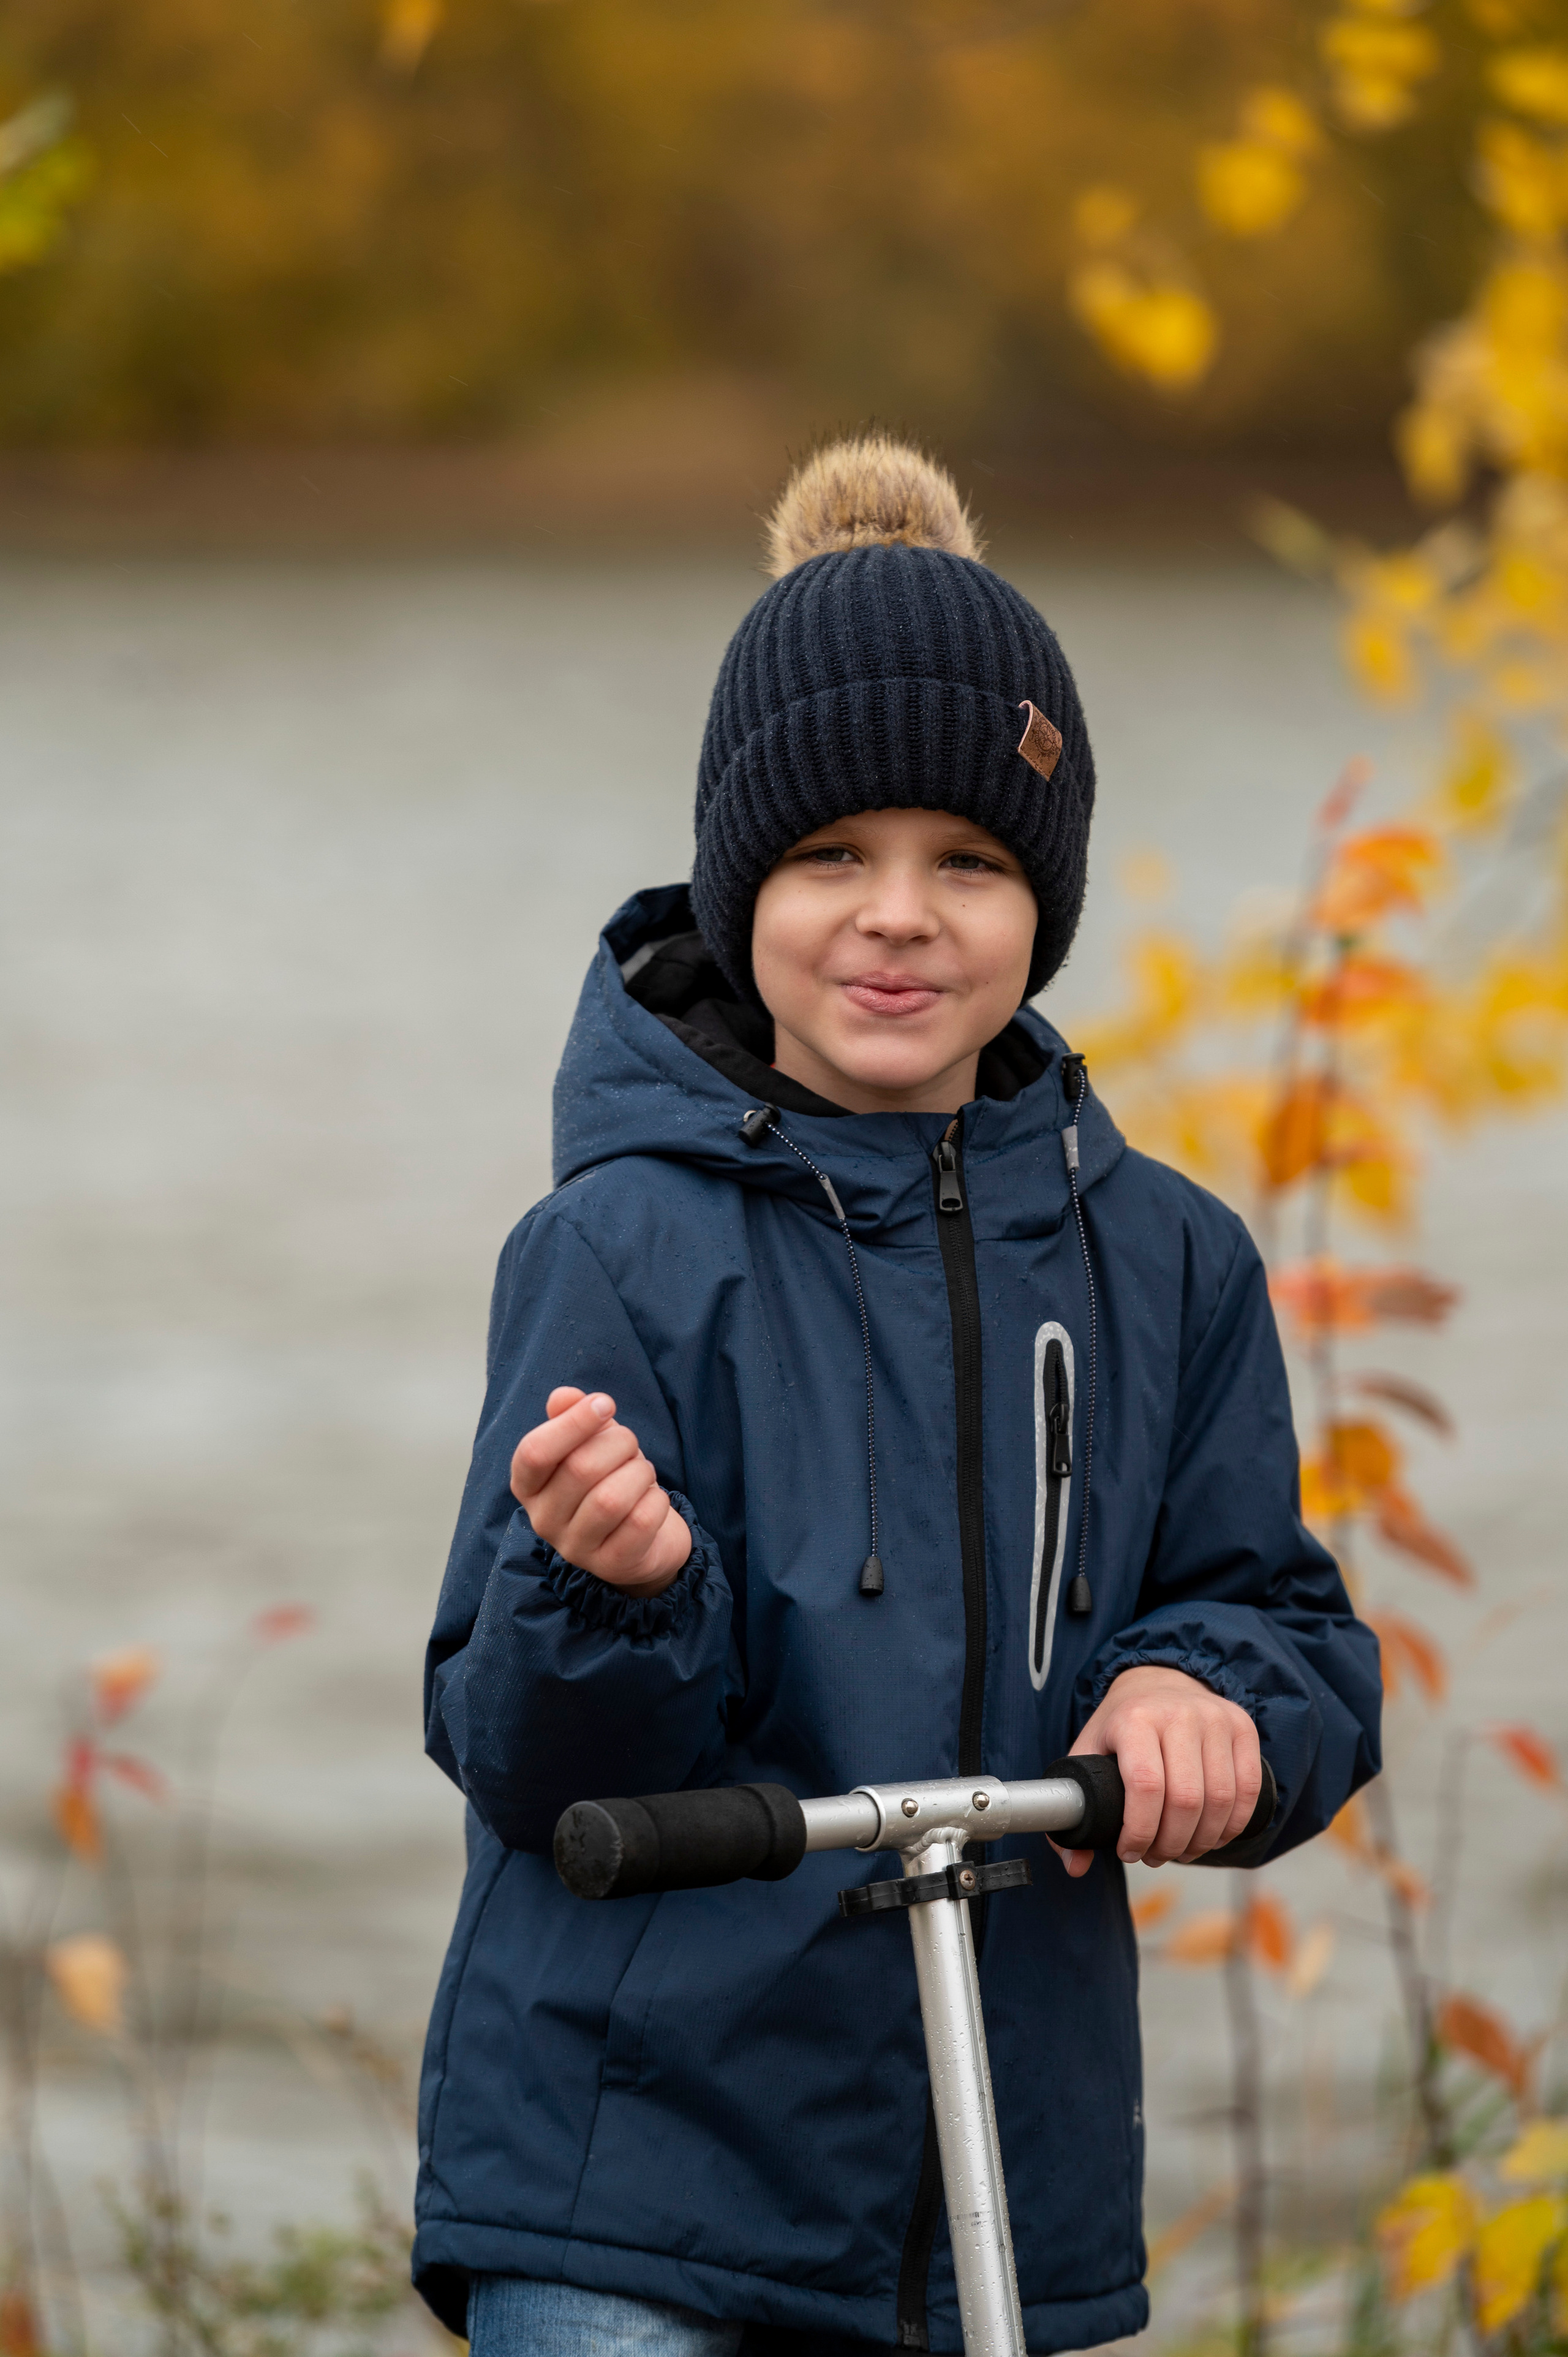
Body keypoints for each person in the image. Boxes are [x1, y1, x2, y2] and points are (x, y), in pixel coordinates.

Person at [413, 436, 1381, 2357]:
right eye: (832, 856)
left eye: (971, 863)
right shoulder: (619, 1245)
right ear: (741, 882)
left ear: (1046, 904)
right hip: (632, 2187)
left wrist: (1199, 1690)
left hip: (994, 2185)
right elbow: (522, 1756)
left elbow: (1284, 1629)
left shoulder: (1168, 1259)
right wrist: (607, 1587)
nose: (899, 914)